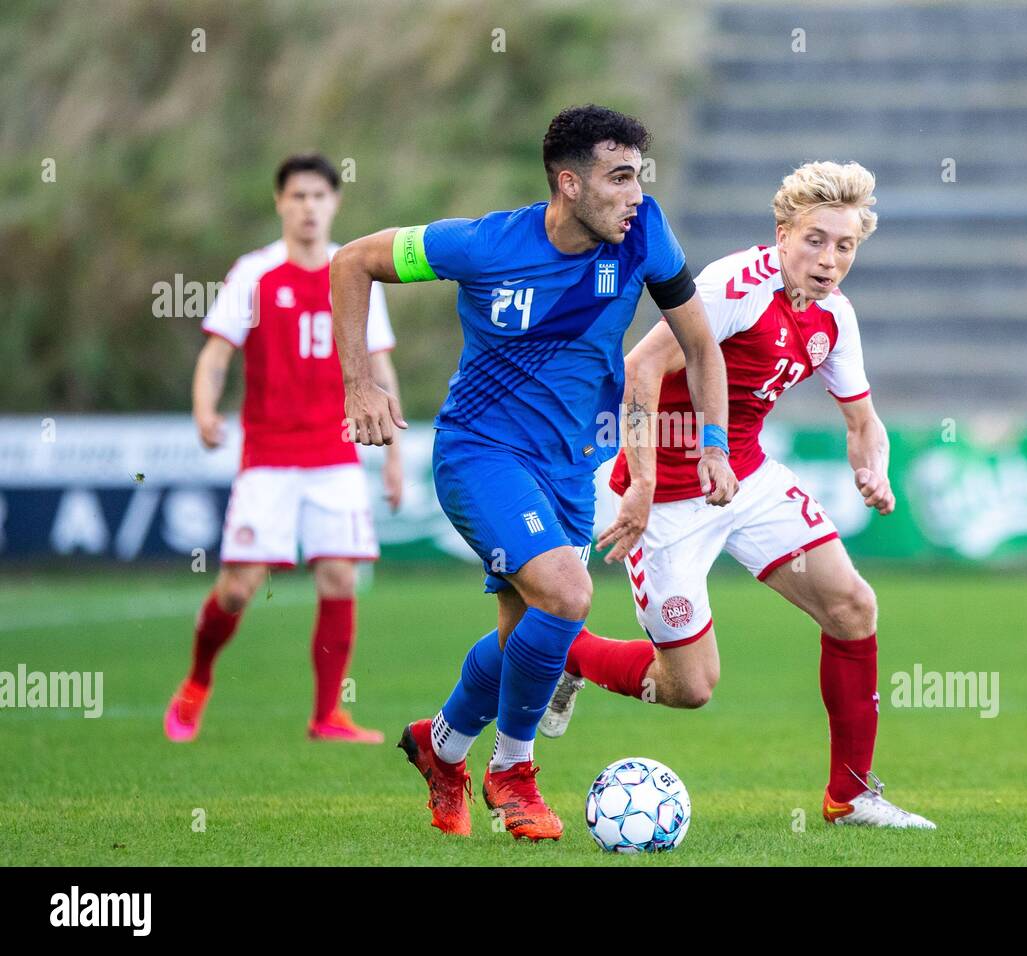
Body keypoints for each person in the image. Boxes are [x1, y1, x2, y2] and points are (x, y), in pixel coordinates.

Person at [329, 105, 738, 841]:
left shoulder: (645, 234)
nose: (636, 195)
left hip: (571, 469)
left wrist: (713, 443)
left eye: (639, 178)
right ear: (569, 183)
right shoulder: (483, 244)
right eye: (619, 178)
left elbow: (701, 345)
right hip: (479, 454)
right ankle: (512, 774)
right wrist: (359, 385)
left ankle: (440, 746)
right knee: (568, 594)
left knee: (526, 640)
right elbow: (352, 262)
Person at [541, 161, 936, 829]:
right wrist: (641, 483)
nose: (829, 259)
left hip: (746, 480)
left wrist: (876, 469)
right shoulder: (734, 287)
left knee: (852, 607)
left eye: (844, 246)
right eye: (815, 240)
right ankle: (571, 654)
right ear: (783, 234)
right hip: (666, 498)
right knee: (689, 688)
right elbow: (640, 366)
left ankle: (850, 797)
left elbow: (863, 422)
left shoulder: (835, 317)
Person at [164, 154, 402, 744]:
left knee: (340, 578)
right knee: (238, 587)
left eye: (319, 196)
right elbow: (216, 354)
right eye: (297, 196)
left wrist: (394, 455)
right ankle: (196, 682)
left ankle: (327, 716)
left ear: (335, 202)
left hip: (336, 454)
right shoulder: (254, 273)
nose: (308, 207)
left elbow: (379, 369)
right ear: (280, 203)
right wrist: (203, 409)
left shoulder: (354, 270)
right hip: (267, 458)